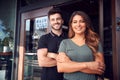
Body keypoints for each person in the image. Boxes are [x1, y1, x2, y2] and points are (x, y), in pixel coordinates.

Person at [56, 11, 105, 80]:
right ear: (71, 25)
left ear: (86, 24)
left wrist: (69, 63)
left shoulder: (95, 42)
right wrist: (88, 65)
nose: (78, 25)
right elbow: (61, 68)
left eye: (81, 21)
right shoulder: (65, 43)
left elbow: (100, 70)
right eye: (75, 22)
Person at [37, 7, 68, 80]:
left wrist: (52, 55)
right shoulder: (44, 38)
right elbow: (42, 62)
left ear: (62, 21)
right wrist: (63, 60)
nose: (56, 21)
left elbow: (74, 58)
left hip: (67, 77)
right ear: (50, 22)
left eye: (58, 19)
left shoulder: (69, 38)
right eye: (52, 19)